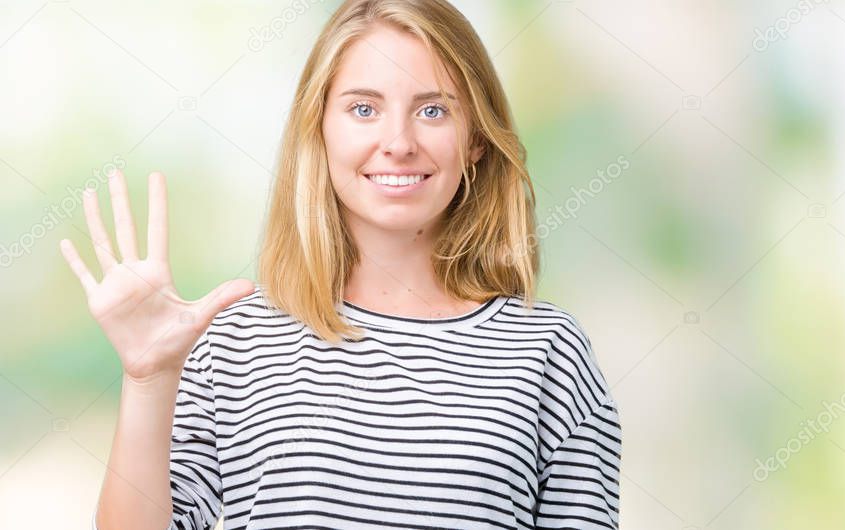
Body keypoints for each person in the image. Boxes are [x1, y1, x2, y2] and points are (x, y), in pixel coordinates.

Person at [61, 0, 621, 528]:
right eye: (363, 108)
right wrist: (149, 379)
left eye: (432, 109)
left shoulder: (549, 352)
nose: (398, 142)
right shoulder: (237, 340)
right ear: (320, 128)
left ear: (475, 137)